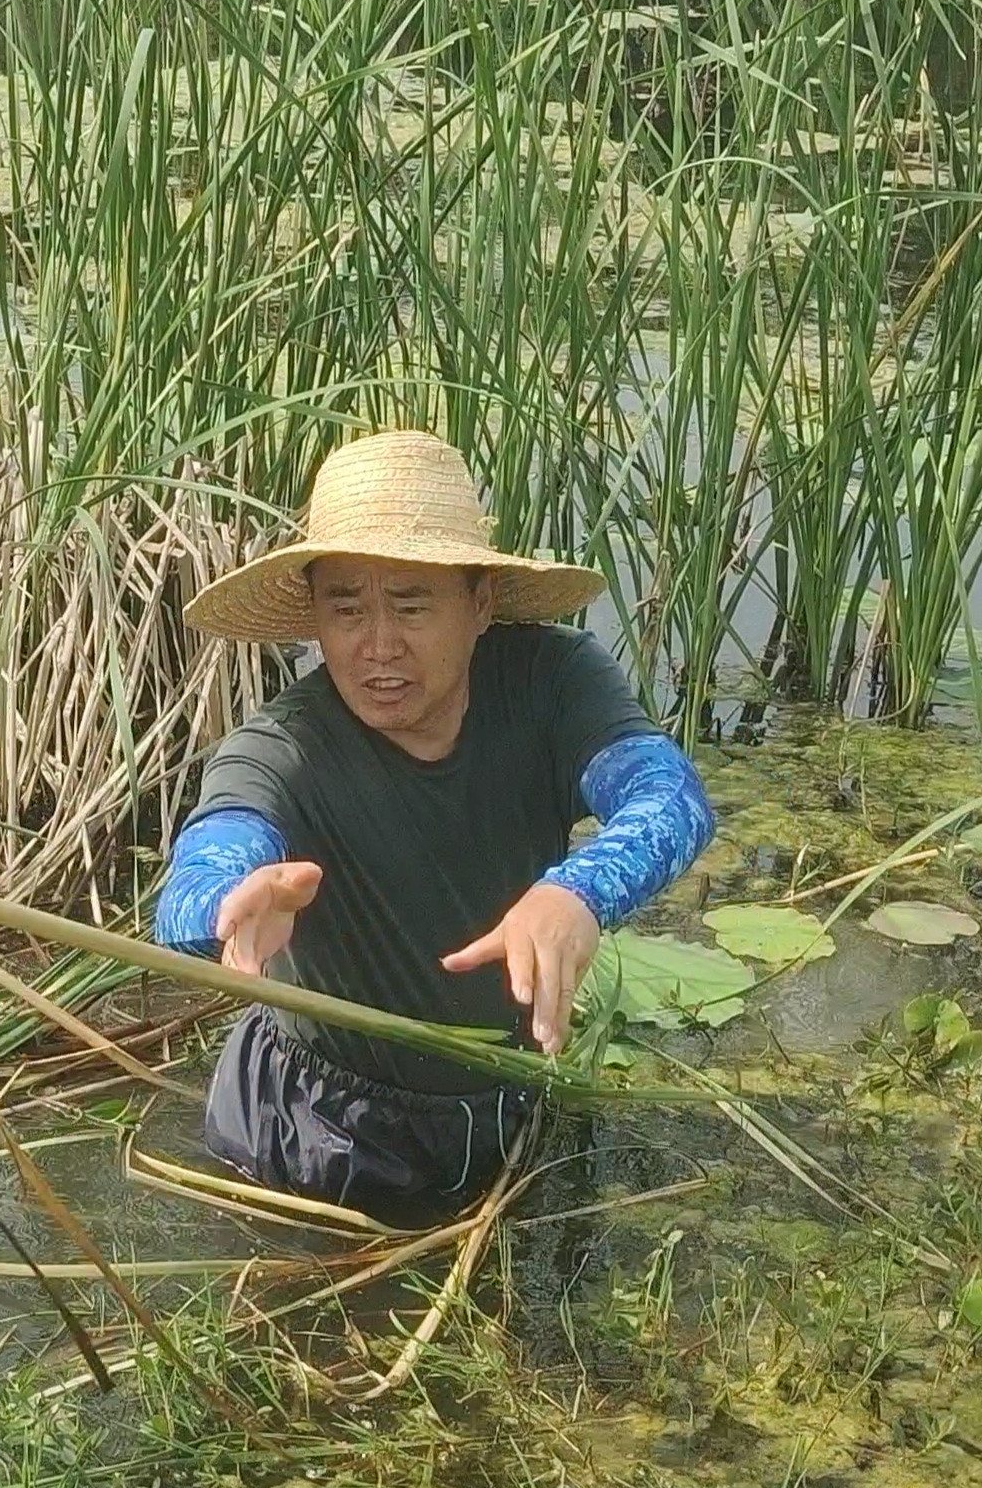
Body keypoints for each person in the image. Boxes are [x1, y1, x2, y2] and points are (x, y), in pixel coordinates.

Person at [157, 430, 715, 1229]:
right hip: (308, 1129)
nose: (379, 645)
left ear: (481, 600)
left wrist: (577, 892)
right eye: (345, 609)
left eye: (412, 605)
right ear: (314, 617)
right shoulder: (283, 747)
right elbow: (198, 875)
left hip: (496, 1100)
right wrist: (230, 904)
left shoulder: (554, 681)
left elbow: (672, 797)